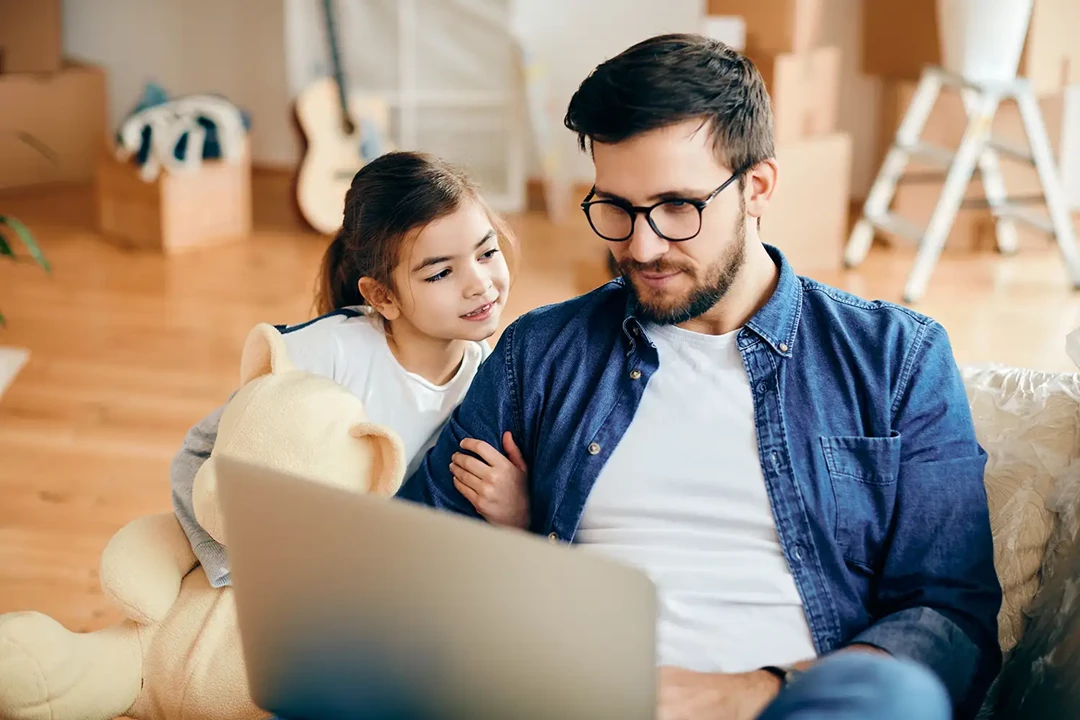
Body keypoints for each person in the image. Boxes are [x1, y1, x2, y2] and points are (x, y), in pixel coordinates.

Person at [396, 34, 1003, 720]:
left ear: (758, 187)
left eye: (677, 206)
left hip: (804, 704)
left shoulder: (896, 359)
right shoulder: (541, 354)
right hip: (581, 694)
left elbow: (951, 617)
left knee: (894, 695)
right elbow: (410, 555)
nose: (641, 246)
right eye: (616, 208)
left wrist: (752, 691)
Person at [170, 151, 530, 588]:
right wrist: (233, 568)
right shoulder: (330, 352)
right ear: (382, 297)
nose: (480, 283)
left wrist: (517, 511)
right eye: (440, 274)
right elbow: (200, 449)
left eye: (487, 252)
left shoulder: (489, 375)